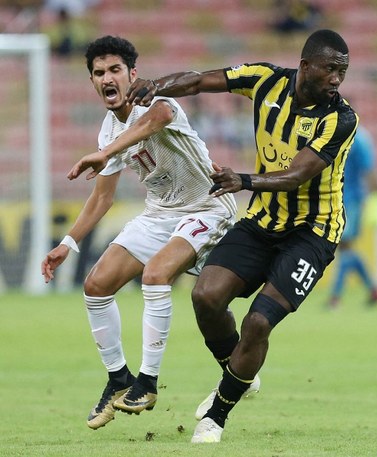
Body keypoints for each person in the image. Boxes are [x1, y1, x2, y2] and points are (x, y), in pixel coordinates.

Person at [127, 29, 357, 444]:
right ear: (306, 66)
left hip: (313, 232)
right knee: (205, 296)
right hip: (263, 221)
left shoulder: (340, 118)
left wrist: (243, 179)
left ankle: (217, 414)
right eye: (331, 69)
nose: (337, 79)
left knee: (257, 322)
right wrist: (155, 86)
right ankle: (239, 376)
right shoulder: (264, 78)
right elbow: (198, 81)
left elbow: (298, 175)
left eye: (343, 71)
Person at [40, 35, 241, 430]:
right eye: (99, 73)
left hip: (206, 206)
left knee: (156, 275)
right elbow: (102, 198)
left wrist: (108, 151)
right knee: (95, 285)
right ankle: (120, 379)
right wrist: (68, 243)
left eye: (115, 69)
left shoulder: (157, 102)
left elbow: (159, 120)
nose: (106, 78)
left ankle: (148, 382)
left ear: (133, 74)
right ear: (93, 82)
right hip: (160, 213)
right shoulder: (106, 130)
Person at [328, 125, 377, 308]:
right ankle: (373, 289)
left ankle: (335, 296)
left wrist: (375, 198)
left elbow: (370, 169)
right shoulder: (337, 133)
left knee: (344, 244)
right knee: (346, 247)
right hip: (338, 199)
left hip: (352, 200)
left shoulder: (359, 138)